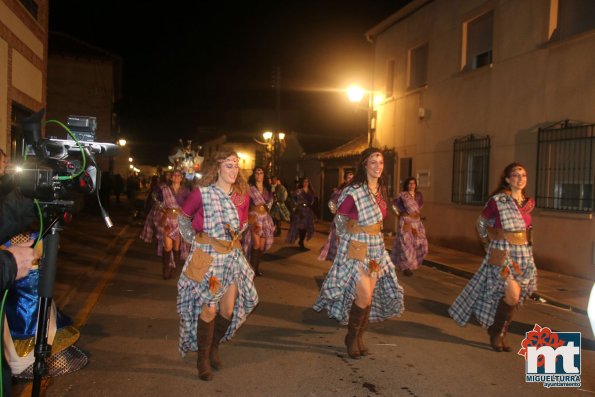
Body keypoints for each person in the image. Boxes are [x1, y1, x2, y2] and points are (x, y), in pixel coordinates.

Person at [313, 147, 404, 359]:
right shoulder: (354, 190)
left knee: (368, 296)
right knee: (363, 293)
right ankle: (351, 338)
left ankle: (359, 337)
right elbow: (340, 218)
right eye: (373, 162)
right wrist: (348, 239)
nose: (378, 167)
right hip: (357, 247)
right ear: (364, 165)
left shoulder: (380, 190)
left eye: (381, 162)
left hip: (376, 246)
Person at [177, 149, 258, 381]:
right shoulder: (201, 194)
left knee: (227, 309)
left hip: (231, 255)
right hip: (208, 256)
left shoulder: (243, 197)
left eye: (236, 165)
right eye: (229, 165)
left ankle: (214, 347)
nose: (234, 170)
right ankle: (202, 360)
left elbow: (242, 225)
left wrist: (234, 235)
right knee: (209, 308)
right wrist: (195, 241)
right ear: (218, 167)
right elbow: (183, 218)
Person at [449, 162, 537, 352]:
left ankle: (497, 331)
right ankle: (497, 334)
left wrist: (530, 250)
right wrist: (487, 244)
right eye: (515, 175)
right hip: (502, 251)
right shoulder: (498, 201)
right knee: (512, 293)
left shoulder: (529, 203)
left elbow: (527, 229)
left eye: (523, 175)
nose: (520, 178)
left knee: (512, 298)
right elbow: (481, 223)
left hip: (523, 253)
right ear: (507, 179)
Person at [140, 169, 191, 279]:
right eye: (175, 175)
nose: (177, 177)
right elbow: (155, 201)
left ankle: (174, 268)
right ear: (171, 177)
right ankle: (166, 269)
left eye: (179, 176)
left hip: (179, 221)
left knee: (176, 247)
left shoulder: (186, 191)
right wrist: (161, 209)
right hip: (167, 219)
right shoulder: (163, 189)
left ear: (182, 178)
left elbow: (190, 205)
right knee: (168, 246)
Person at [390, 177, 428, 276]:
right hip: (406, 222)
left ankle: (412, 263)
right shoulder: (402, 195)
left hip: (416, 223)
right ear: (407, 185)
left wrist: (417, 216)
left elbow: (419, 207)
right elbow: (394, 206)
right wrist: (400, 214)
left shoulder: (419, 195)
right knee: (406, 245)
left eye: (413, 183)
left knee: (422, 245)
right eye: (410, 183)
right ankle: (407, 267)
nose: (412, 185)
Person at [244, 167, 275, 277]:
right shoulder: (250, 188)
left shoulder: (267, 188)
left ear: (264, 175)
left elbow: (270, 202)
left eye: (261, 173)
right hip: (255, 217)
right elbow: (245, 203)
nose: (259, 175)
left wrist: (269, 214)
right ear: (254, 175)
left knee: (261, 246)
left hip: (265, 217)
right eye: (257, 173)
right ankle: (251, 269)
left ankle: (256, 268)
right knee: (256, 244)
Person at [318, 170, 354, 262]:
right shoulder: (340, 191)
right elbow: (331, 203)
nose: (350, 179)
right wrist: (336, 212)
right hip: (340, 220)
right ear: (345, 179)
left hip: (353, 222)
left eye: (352, 178)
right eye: (348, 177)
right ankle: (336, 266)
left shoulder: (356, 191)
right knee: (337, 244)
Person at [285, 177, 316, 250]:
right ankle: (301, 241)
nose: (305, 183)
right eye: (304, 182)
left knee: (306, 227)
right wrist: (296, 206)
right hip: (300, 211)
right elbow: (292, 198)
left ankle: (301, 241)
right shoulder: (298, 191)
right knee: (301, 227)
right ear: (302, 183)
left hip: (308, 211)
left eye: (307, 182)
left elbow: (313, 201)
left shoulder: (311, 192)